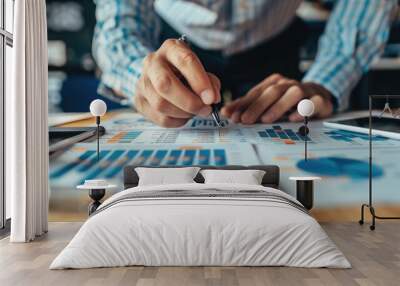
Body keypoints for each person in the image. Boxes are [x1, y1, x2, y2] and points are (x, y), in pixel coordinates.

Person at [93, 0, 397, 127]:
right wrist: (141, 76)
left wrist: (325, 82)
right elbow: (119, 20)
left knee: (283, 130)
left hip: (274, 45)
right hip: (173, 43)